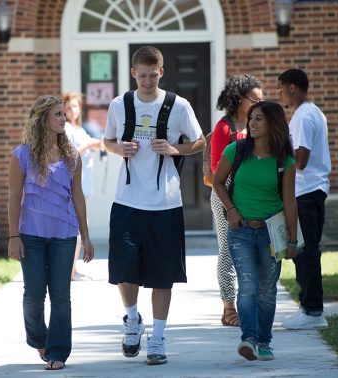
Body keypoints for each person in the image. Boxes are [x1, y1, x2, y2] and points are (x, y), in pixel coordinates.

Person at [103, 46, 205, 365]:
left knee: (162, 275)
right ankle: (133, 320)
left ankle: (158, 337)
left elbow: (200, 140)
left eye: (153, 74)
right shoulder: (119, 105)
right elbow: (107, 141)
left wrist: (175, 149)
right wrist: (118, 149)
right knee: (124, 270)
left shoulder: (179, 105)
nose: (147, 81)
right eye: (142, 75)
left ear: (162, 72)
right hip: (127, 201)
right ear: (134, 73)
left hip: (165, 203)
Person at [7, 95, 95, 371]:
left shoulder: (73, 156)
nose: (64, 118)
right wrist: (13, 236)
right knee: (33, 294)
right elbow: (14, 197)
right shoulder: (21, 156)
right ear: (43, 118)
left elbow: (78, 196)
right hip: (30, 235)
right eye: (58, 114)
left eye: (63, 114)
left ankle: (58, 351)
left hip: (64, 235)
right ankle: (38, 338)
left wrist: (86, 235)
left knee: (60, 293)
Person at [213, 101, 298, 361]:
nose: (252, 123)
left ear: (273, 123)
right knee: (248, 285)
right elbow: (217, 182)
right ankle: (248, 338)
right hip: (240, 230)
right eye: (251, 118)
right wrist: (230, 209)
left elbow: (289, 201)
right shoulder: (236, 150)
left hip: (271, 233)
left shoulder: (285, 160)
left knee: (267, 288)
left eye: (259, 119)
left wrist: (293, 240)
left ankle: (264, 341)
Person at [277, 68, 331, 330]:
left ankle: (312, 312)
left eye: (281, 88)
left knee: (305, 252)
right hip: (312, 191)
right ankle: (310, 308)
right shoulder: (313, 112)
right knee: (306, 251)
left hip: (306, 193)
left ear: (293, 88)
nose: (279, 94)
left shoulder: (303, 116)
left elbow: (300, 160)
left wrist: (278, 161)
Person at [210, 74, 264, 327]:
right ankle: (228, 308)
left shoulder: (259, 125)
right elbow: (215, 168)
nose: (259, 103)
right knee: (228, 251)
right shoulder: (224, 128)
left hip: (252, 194)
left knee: (252, 250)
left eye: (262, 100)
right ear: (239, 99)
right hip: (225, 194)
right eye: (255, 99)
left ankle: (248, 304)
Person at [63, 92, 101, 281]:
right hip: (73, 185)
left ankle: (72, 270)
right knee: (77, 228)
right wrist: (88, 145)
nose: (72, 110)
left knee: (79, 227)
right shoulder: (66, 129)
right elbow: (69, 155)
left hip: (83, 184)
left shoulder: (80, 129)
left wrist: (95, 145)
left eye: (75, 106)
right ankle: (71, 272)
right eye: (68, 107)